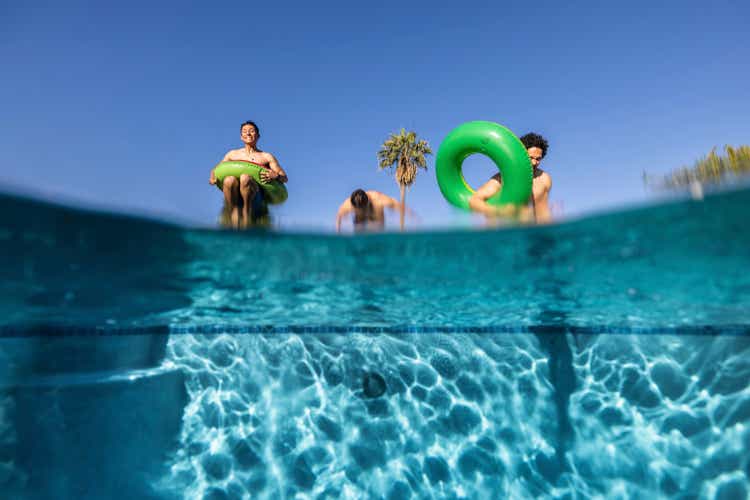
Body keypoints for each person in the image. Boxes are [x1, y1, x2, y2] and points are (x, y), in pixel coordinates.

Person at [209, 121, 288, 228]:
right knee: (229, 180)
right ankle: (232, 212)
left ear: (258, 135)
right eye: (245, 132)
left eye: (251, 131)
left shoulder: (266, 156)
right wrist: (212, 178)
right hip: (234, 195)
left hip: (256, 196)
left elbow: (284, 178)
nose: (248, 134)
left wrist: (276, 176)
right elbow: (216, 170)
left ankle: (247, 213)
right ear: (241, 137)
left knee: (245, 177)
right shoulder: (232, 154)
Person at [469, 132, 552, 223]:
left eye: (538, 159)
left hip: (530, 231)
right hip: (505, 230)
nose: (534, 163)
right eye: (530, 158)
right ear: (521, 156)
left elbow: (543, 213)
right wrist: (499, 212)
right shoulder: (503, 178)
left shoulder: (544, 179)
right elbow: (474, 201)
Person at [335, 189, 408, 233]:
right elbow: (339, 216)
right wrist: (338, 232)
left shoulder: (378, 198)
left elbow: (397, 205)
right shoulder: (348, 205)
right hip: (359, 223)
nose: (363, 210)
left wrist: (411, 214)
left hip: (377, 221)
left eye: (363, 208)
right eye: (360, 209)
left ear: (368, 202)